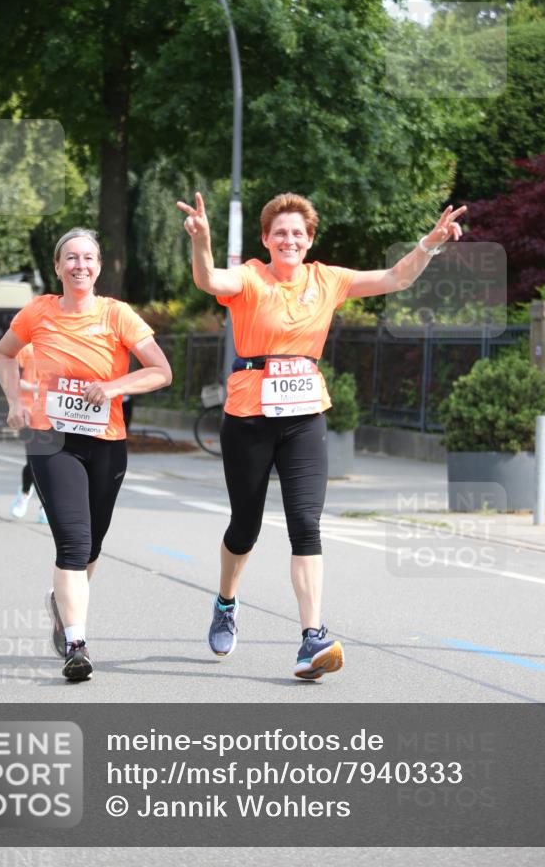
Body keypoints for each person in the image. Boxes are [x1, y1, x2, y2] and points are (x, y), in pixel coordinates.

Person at [176, 191, 465, 680]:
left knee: (305, 523)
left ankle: (312, 637)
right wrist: (201, 240)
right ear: (266, 239)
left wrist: (430, 244)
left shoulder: (328, 279)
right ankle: (226, 600)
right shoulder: (249, 276)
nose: (290, 239)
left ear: (310, 241)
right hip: (249, 413)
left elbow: (396, 277)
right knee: (244, 527)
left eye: (299, 233)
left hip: (305, 413)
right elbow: (207, 279)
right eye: (280, 232)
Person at [0, 228, 172, 683]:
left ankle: (62, 605)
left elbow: (160, 371)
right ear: (57, 268)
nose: (79, 265)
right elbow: (4, 354)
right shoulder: (38, 312)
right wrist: (15, 401)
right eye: (70, 258)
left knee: (92, 544)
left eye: (88, 258)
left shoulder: (118, 315)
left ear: (98, 266)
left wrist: (113, 387)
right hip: (50, 440)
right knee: (72, 544)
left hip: (106, 442)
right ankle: (76, 643)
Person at [9, 343, 48, 524]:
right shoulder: (25, 348)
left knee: (53, 462)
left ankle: (46, 506)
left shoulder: (64, 344)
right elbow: (14, 379)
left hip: (54, 413)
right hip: (29, 410)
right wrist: (36, 389)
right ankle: (24, 492)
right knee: (34, 458)